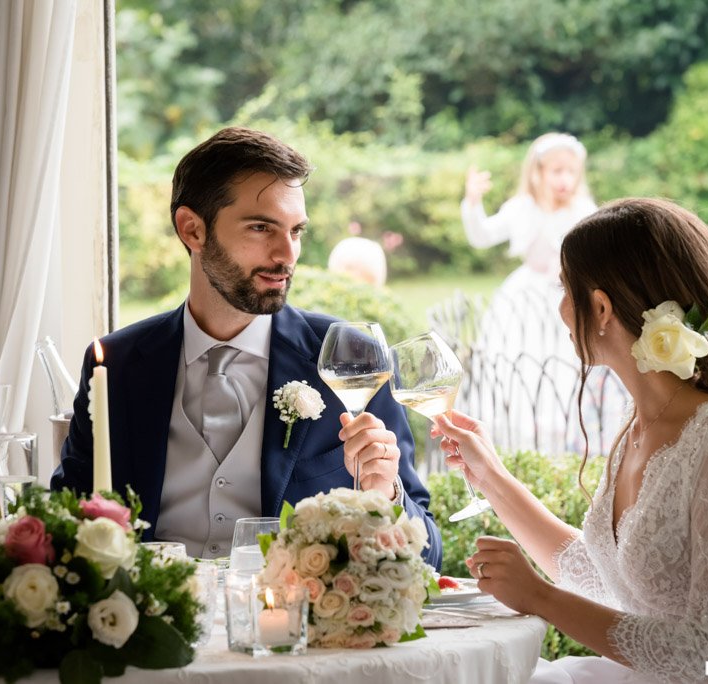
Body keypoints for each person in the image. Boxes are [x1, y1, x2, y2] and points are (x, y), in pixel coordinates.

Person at [434, 198, 708, 683]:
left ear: (601, 307)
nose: (561, 308)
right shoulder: (641, 422)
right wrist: (490, 477)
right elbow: (606, 578)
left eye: (566, 289)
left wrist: (540, 597)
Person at [51, 127, 441, 568]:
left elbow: (429, 558)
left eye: (296, 231)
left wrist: (386, 494)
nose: (286, 254)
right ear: (192, 229)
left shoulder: (349, 356)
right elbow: (67, 528)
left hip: (295, 629)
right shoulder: (116, 365)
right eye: (261, 228)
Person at [459, 133, 614, 455]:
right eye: (557, 171)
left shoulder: (582, 209)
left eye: (571, 172)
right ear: (538, 173)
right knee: (521, 357)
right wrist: (473, 203)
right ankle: (521, 428)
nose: (564, 179)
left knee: (561, 359)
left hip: (567, 293)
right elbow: (482, 235)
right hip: (525, 295)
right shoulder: (522, 208)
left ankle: (563, 426)